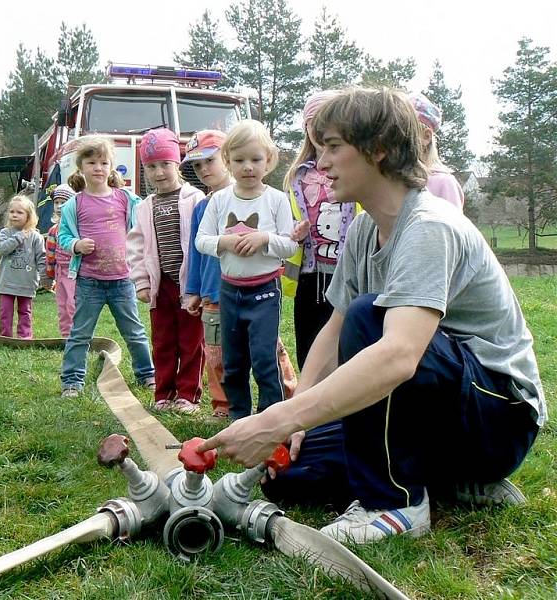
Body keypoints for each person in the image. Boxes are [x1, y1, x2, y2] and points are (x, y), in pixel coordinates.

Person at [198, 88, 545, 545]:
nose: (320, 164)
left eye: (333, 147)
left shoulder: (428, 227)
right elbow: (333, 331)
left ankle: (395, 502)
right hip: (435, 410)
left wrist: (276, 420)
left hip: (499, 416)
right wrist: (291, 424)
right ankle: (450, 482)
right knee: (288, 472)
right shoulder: (363, 228)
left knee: (371, 315)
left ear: (378, 148)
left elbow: (399, 354)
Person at [184, 129, 298, 418]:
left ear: (269, 161)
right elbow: (201, 240)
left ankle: (270, 416)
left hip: (265, 292)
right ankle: (238, 417)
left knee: (264, 359)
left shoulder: (276, 199)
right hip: (230, 291)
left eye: (256, 159)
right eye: (239, 160)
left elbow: (288, 245)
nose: (248, 166)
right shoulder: (219, 201)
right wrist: (224, 242)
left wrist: (264, 239)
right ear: (228, 162)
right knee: (233, 361)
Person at [57, 136, 155, 397]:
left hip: (123, 280)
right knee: (80, 334)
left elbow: (144, 220)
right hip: (89, 281)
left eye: (104, 162)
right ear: (81, 167)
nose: (98, 168)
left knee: (134, 331)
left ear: (111, 167)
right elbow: (62, 235)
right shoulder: (74, 204)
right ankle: (72, 381)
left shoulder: (126, 199)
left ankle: (147, 375)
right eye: (91, 162)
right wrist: (76, 244)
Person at [127, 128, 205, 413]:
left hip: (189, 285)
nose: (159, 172)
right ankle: (163, 393)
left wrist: (201, 286)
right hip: (162, 286)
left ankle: (187, 394)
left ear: (177, 164)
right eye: (151, 166)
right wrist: (142, 283)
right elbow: (135, 247)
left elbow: (201, 242)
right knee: (162, 341)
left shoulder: (195, 198)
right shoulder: (144, 206)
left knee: (191, 341)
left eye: (165, 164)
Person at [284, 90, 359, 369]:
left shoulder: (353, 170)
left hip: (346, 273)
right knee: (308, 339)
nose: (320, 130)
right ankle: (310, 394)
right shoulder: (297, 176)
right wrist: (292, 231)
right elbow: (287, 219)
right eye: (314, 122)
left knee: (344, 342)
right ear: (306, 127)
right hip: (309, 273)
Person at [0, 194, 44, 338]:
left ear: (28, 216)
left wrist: (45, 277)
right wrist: (18, 237)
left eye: (19, 212)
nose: (14, 215)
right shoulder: (5, 233)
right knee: (5, 312)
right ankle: (5, 336)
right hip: (7, 282)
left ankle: (25, 337)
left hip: (27, 283)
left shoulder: (36, 237)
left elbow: (41, 258)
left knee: (25, 312)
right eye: (12, 212)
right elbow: (2, 249)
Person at [409, 92, 464, 210]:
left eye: (405, 130)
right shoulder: (397, 181)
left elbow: (450, 227)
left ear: (426, 137)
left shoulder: (444, 183)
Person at [45, 184, 78, 337]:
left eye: (63, 202)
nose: (59, 206)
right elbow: (50, 254)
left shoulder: (77, 227)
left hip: (74, 271)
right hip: (60, 273)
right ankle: (65, 335)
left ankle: (77, 335)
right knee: (62, 304)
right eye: (56, 202)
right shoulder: (53, 230)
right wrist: (50, 274)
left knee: (73, 304)